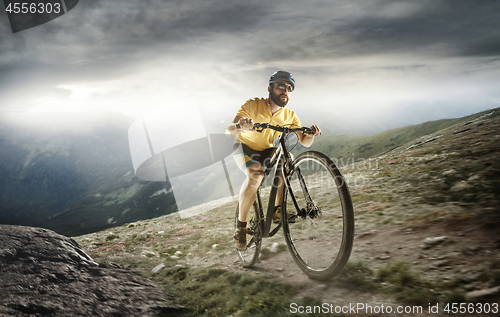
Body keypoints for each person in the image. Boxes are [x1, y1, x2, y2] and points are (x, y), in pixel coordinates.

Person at [225, 70, 321, 250]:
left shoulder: (290, 116)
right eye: (281, 86)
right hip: (243, 147)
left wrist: (312, 135)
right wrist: (240, 126)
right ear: (270, 88)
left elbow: (304, 141)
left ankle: (277, 210)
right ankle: (241, 227)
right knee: (255, 176)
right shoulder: (253, 104)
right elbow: (229, 130)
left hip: (266, 149)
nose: (286, 90)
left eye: (290, 88)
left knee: (288, 158)